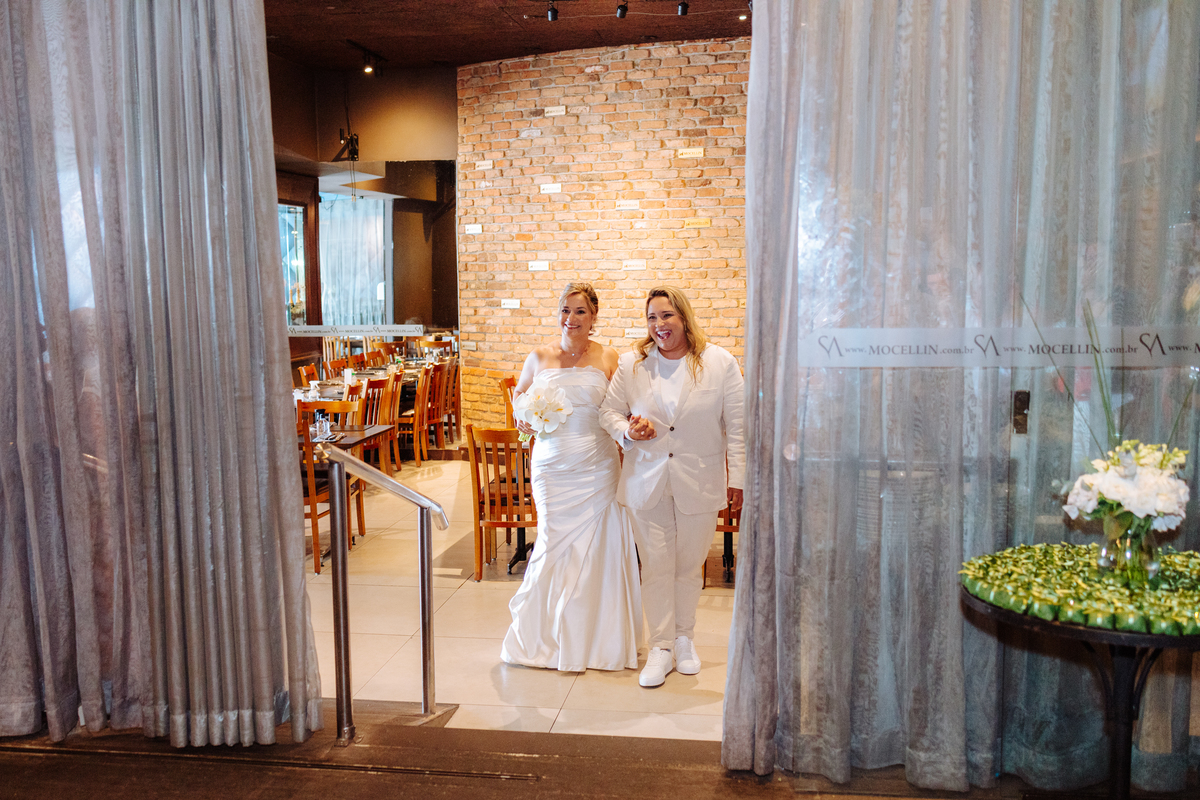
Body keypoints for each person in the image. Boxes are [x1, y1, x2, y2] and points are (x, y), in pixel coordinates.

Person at [600, 286, 745, 687]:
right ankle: (661, 646)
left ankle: (684, 639)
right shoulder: (632, 364)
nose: (659, 325)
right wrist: (628, 432)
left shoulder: (719, 362)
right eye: (652, 317)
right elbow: (608, 412)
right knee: (656, 565)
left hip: (700, 479)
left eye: (667, 316)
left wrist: (739, 480)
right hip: (646, 479)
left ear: (683, 317)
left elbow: (738, 427)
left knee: (689, 565)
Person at [500, 283, 643, 672]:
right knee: (551, 540)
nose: (571, 318)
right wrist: (523, 417)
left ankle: (597, 641)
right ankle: (545, 638)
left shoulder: (609, 357)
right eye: (565, 310)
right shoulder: (539, 356)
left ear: (593, 316)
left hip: (597, 464)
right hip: (551, 464)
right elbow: (519, 402)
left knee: (597, 546)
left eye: (580, 311)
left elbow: (622, 406)